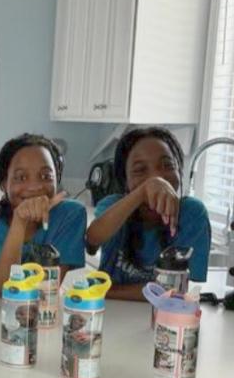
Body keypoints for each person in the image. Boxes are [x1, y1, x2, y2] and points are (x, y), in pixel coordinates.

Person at [85, 127, 211, 301]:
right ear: (125, 181)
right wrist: (142, 192)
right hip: (112, 316)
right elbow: (92, 240)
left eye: (167, 165)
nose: (157, 177)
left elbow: (181, 291)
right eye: (140, 170)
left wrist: (107, 291)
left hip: (167, 318)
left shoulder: (191, 214)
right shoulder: (114, 206)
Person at [0, 133, 86, 296]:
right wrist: (19, 221)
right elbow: (4, 290)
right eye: (21, 177)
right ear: (3, 185)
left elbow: (45, 289)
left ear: (57, 180)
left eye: (46, 176)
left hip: (44, 318)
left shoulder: (70, 216)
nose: (35, 187)